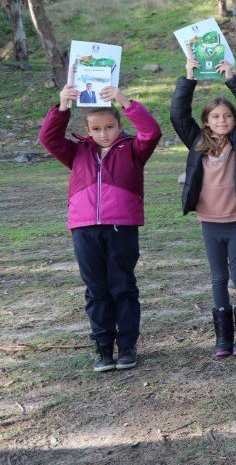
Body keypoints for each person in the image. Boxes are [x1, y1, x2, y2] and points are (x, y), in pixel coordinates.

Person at [39, 80, 161, 372]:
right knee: (96, 289)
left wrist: (124, 101)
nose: (103, 133)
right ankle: (103, 347)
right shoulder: (76, 152)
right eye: (96, 129)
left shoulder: (134, 149)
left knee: (122, 286)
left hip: (121, 226)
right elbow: (48, 138)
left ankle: (127, 346)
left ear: (119, 126)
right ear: (87, 130)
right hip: (84, 229)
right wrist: (63, 106)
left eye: (109, 127)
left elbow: (151, 132)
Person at [170, 58, 236, 358]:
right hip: (209, 221)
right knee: (218, 278)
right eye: (215, 116)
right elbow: (178, 114)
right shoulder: (197, 141)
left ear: (234, 120)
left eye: (227, 116)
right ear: (206, 121)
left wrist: (232, 79)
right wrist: (189, 78)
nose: (222, 120)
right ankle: (223, 337)